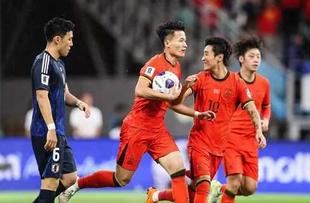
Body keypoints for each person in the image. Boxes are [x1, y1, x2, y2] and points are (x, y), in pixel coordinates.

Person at [59, 20, 214, 203]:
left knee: (178, 169)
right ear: (167, 43)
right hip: (136, 128)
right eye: (180, 40)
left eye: (185, 41)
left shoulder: (176, 67)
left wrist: (191, 101)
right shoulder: (155, 63)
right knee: (121, 179)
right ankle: (77, 185)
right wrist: (165, 96)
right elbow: (140, 90)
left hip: (157, 130)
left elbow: (173, 102)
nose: (185, 44)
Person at [146, 37, 266, 203]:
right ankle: (207, 187)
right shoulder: (199, 79)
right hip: (199, 143)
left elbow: (252, 109)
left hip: (219, 148)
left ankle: (155, 195)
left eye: (206, 54)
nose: (203, 58)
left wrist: (258, 131)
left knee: (195, 191)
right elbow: (174, 104)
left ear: (219, 57)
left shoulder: (236, 83)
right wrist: (187, 89)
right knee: (203, 187)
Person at [30, 17, 91, 203]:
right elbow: (42, 96)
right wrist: (50, 128)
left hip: (59, 132)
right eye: (69, 39)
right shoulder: (43, 62)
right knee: (50, 183)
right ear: (57, 39)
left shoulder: (59, 65)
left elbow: (64, 94)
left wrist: (79, 103)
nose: (72, 43)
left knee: (71, 179)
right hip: (46, 132)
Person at [209, 36, 270, 203]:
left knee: (250, 188)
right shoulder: (230, 81)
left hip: (251, 140)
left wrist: (265, 120)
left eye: (258, 56)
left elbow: (266, 106)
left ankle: (218, 189)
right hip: (231, 139)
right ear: (241, 59)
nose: (256, 60)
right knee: (234, 181)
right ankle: (225, 190)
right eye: (252, 56)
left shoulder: (264, 83)